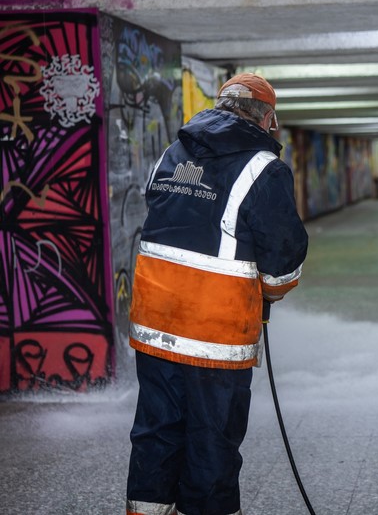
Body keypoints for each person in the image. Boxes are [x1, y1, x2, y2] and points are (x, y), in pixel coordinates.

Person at [125, 73, 308, 515]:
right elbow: (282, 259)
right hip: (215, 334)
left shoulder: (172, 152)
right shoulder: (264, 168)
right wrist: (270, 290)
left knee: (155, 430)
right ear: (268, 119)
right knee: (212, 438)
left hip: (154, 324)